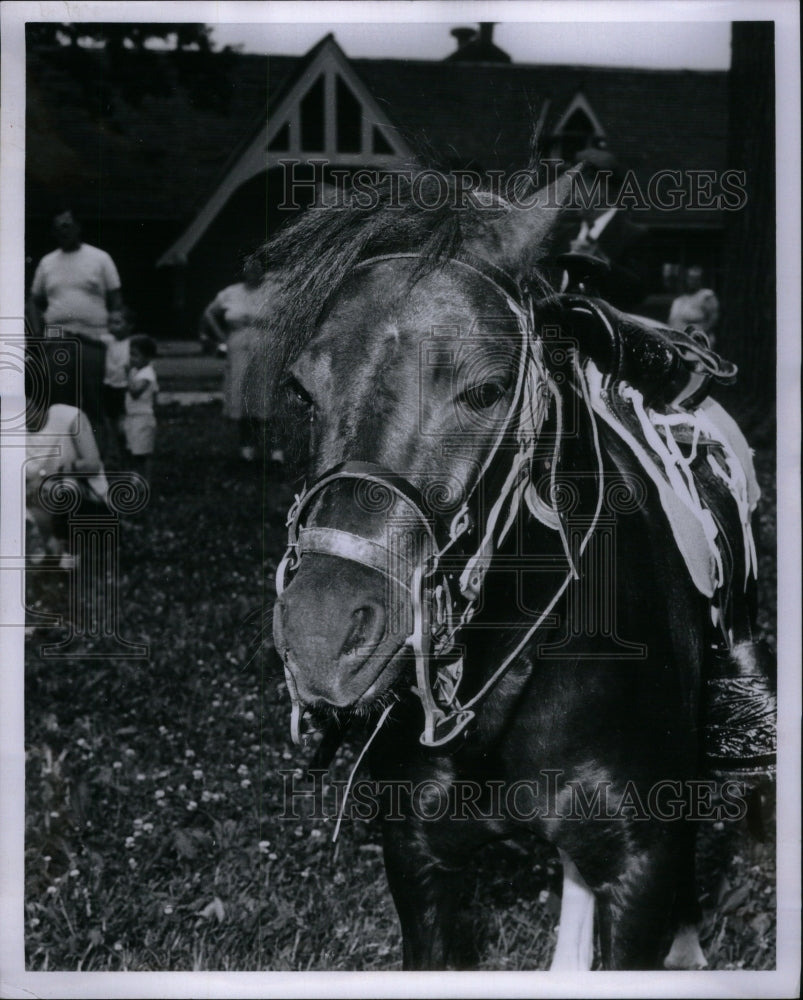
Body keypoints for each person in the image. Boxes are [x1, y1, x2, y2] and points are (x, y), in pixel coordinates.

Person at [27, 208, 123, 449]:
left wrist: (115, 335)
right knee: (60, 404)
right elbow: (34, 301)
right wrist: (38, 336)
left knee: (94, 400)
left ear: (78, 227)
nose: (63, 230)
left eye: (68, 225)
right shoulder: (47, 262)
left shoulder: (100, 258)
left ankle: (98, 458)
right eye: (58, 227)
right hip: (57, 340)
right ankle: (65, 458)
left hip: (93, 339)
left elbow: (116, 299)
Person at [200, 256, 282, 464]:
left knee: (268, 395)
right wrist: (221, 337)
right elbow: (209, 314)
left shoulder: (276, 290)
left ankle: (276, 449)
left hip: (266, 347)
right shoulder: (231, 293)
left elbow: (288, 316)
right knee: (242, 395)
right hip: (238, 350)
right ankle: (247, 446)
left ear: (264, 268)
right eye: (248, 267)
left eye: (257, 266)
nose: (252, 271)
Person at [26, 397, 108, 570]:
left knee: (66, 488)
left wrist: (53, 475)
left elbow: (93, 464)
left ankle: (69, 555)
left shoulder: (66, 416)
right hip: (40, 503)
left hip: (86, 498)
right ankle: (42, 550)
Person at [123, 335, 159, 485]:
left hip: (143, 418)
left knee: (143, 453)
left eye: (135, 355)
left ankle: (146, 481)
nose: (131, 358)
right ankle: (136, 479)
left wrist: (127, 375)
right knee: (134, 452)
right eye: (130, 354)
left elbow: (135, 392)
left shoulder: (147, 374)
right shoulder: (136, 371)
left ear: (148, 357)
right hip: (133, 417)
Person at [102, 307, 133, 465]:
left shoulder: (131, 345)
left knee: (123, 424)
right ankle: (117, 453)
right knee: (111, 422)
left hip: (124, 388)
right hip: (109, 387)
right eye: (110, 323)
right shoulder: (108, 340)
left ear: (129, 326)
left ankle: (127, 449)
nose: (113, 326)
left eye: (118, 323)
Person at [669, 266, 720, 343]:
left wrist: (699, 335)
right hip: (677, 341)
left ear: (700, 280)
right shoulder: (679, 300)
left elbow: (713, 318)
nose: (692, 281)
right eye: (690, 278)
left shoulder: (706, 296)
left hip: (697, 343)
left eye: (696, 279)